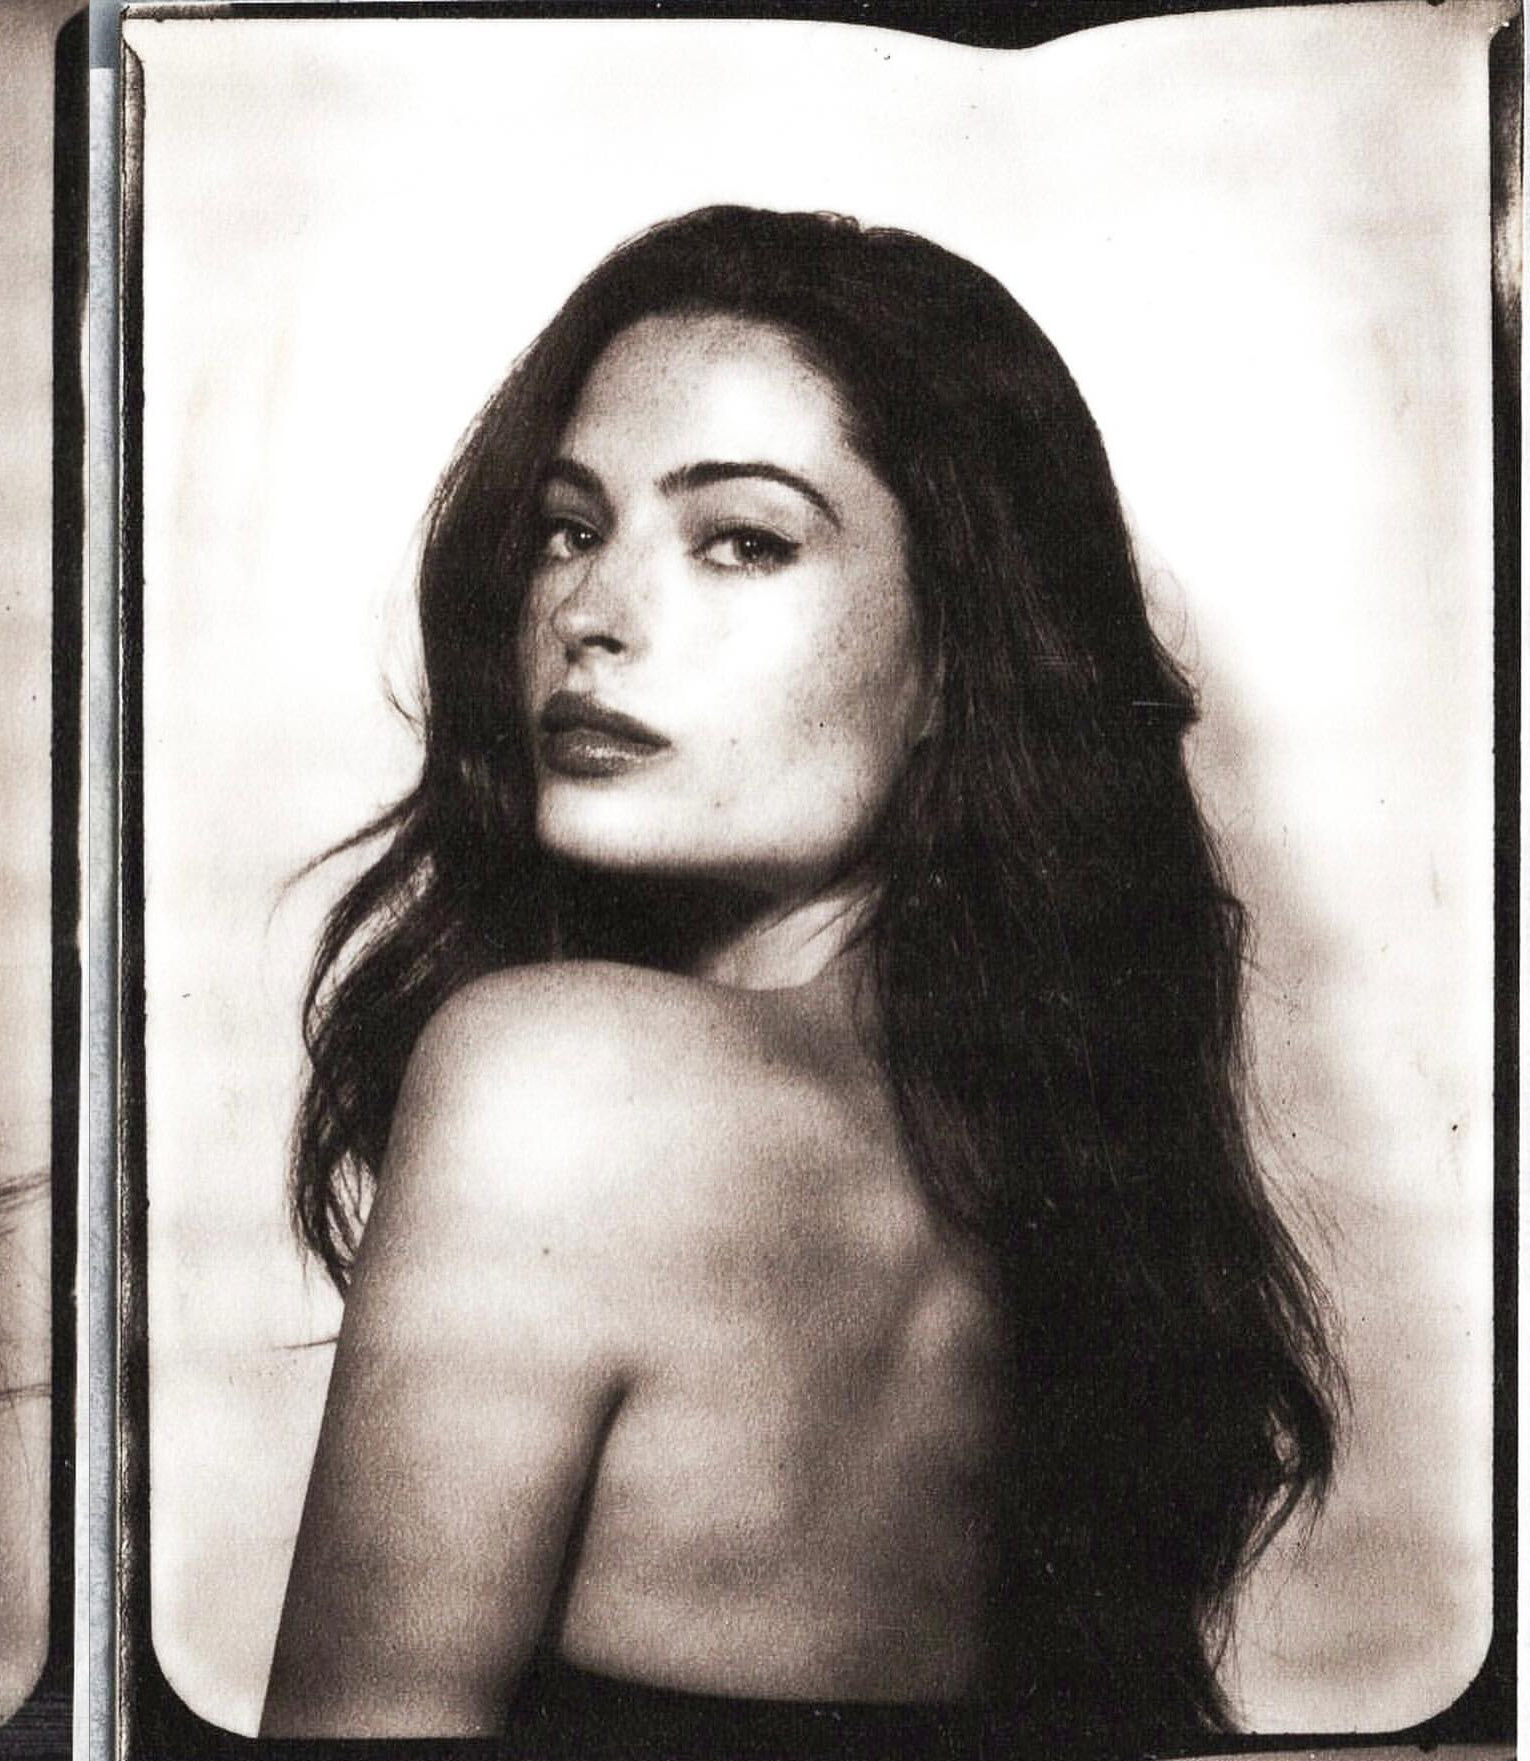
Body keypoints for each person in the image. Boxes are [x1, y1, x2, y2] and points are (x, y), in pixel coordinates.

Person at [263, 206, 1338, 1753]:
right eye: (568, 526)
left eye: (742, 540)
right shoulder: (1049, 1163)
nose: (590, 615)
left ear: (954, 659)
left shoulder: (561, 1084)